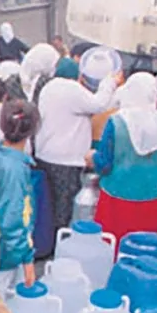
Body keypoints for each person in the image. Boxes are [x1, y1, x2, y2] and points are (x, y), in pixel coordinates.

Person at [34, 45, 121, 234]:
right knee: (65, 211)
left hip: (45, 154)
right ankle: (62, 245)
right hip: (66, 160)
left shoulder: (48, 87)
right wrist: (110, 83)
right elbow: (99, 104)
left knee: (51, 207)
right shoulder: (72, 90)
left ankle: (50, 243)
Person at [88, 72, 157, 242]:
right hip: (156, 197)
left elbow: (105, 164)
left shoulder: (116, 122)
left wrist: (93, 157)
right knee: (151, 251)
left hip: (118, 199)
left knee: (117, 249)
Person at [0, 100, 40, 293]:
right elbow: (12, 220)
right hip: (8, 252)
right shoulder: (14, 170)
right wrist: (27, 259)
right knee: (5, 300)